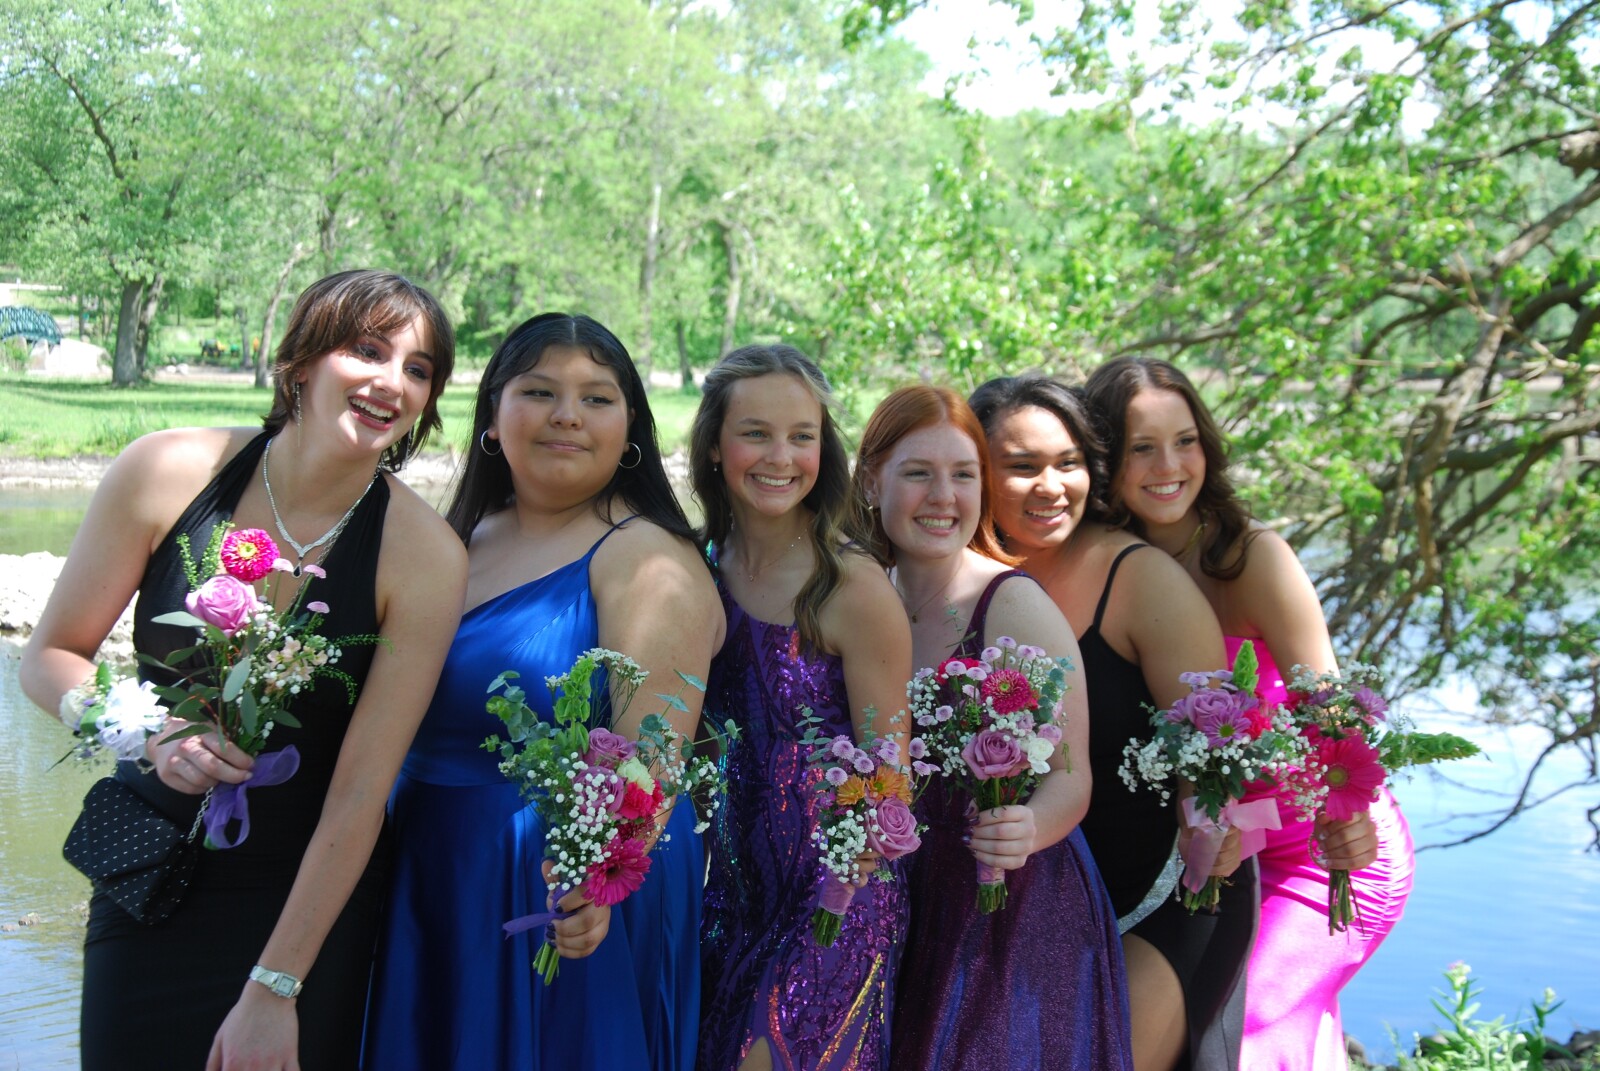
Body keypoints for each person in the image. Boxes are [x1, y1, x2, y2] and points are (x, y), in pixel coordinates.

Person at [20, 270, 467, 1071]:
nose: (391, 381)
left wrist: (275, 987)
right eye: (368, 350)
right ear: (303, 359)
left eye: (418, 368)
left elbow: (362, 792)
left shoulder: (425, 555)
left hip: (304, 906)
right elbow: (49, 657)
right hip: (152, 871)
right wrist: (145, 732)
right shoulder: (166, 471)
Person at [362, 312, 722, 1070]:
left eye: (597, 398)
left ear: (631, 428)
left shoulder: (647, 558)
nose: (567, 414)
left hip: (562, 896)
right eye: (539, 391)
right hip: (431, 871)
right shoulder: (455, 537)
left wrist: (595, 881)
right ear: (493, 418)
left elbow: (655, 759)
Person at [1082, 356, 1415, 1071]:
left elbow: (1332, 714)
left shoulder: (1252, 559)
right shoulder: (1103, 567)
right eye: (1142, 448)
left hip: (1327, 854)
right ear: (1105, 459)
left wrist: (1347, 817)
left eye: (1185, 441)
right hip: (1225, 861)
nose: (1169, 466)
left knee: (1251, 1020)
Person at [970, 375, 1251, 1071]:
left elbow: (1220, 761)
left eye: (1067, 463)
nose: (1050, 486)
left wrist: (1222, 824)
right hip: (1020, 912)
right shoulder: (945, 577)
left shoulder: (1142, 580)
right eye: (1022, 466)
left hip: (1168, 899)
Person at [853, 385, 1132, 1071]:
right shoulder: (861, 595)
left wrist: (1029, 826)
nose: (943, 496)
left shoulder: (1014, 605)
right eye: (918, 473)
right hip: (900, 900)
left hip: (1010, 914)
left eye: (963, 474)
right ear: (871, 481)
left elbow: (1071, 776)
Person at [690, 345, 913, 1071]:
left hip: (837, 897)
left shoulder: (852, 585)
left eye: (801, 435)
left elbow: (891, 772)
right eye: (755, 433)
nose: (780, 456)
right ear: (715, 444)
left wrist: (846, 879)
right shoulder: (698, 567)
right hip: (732, 889)